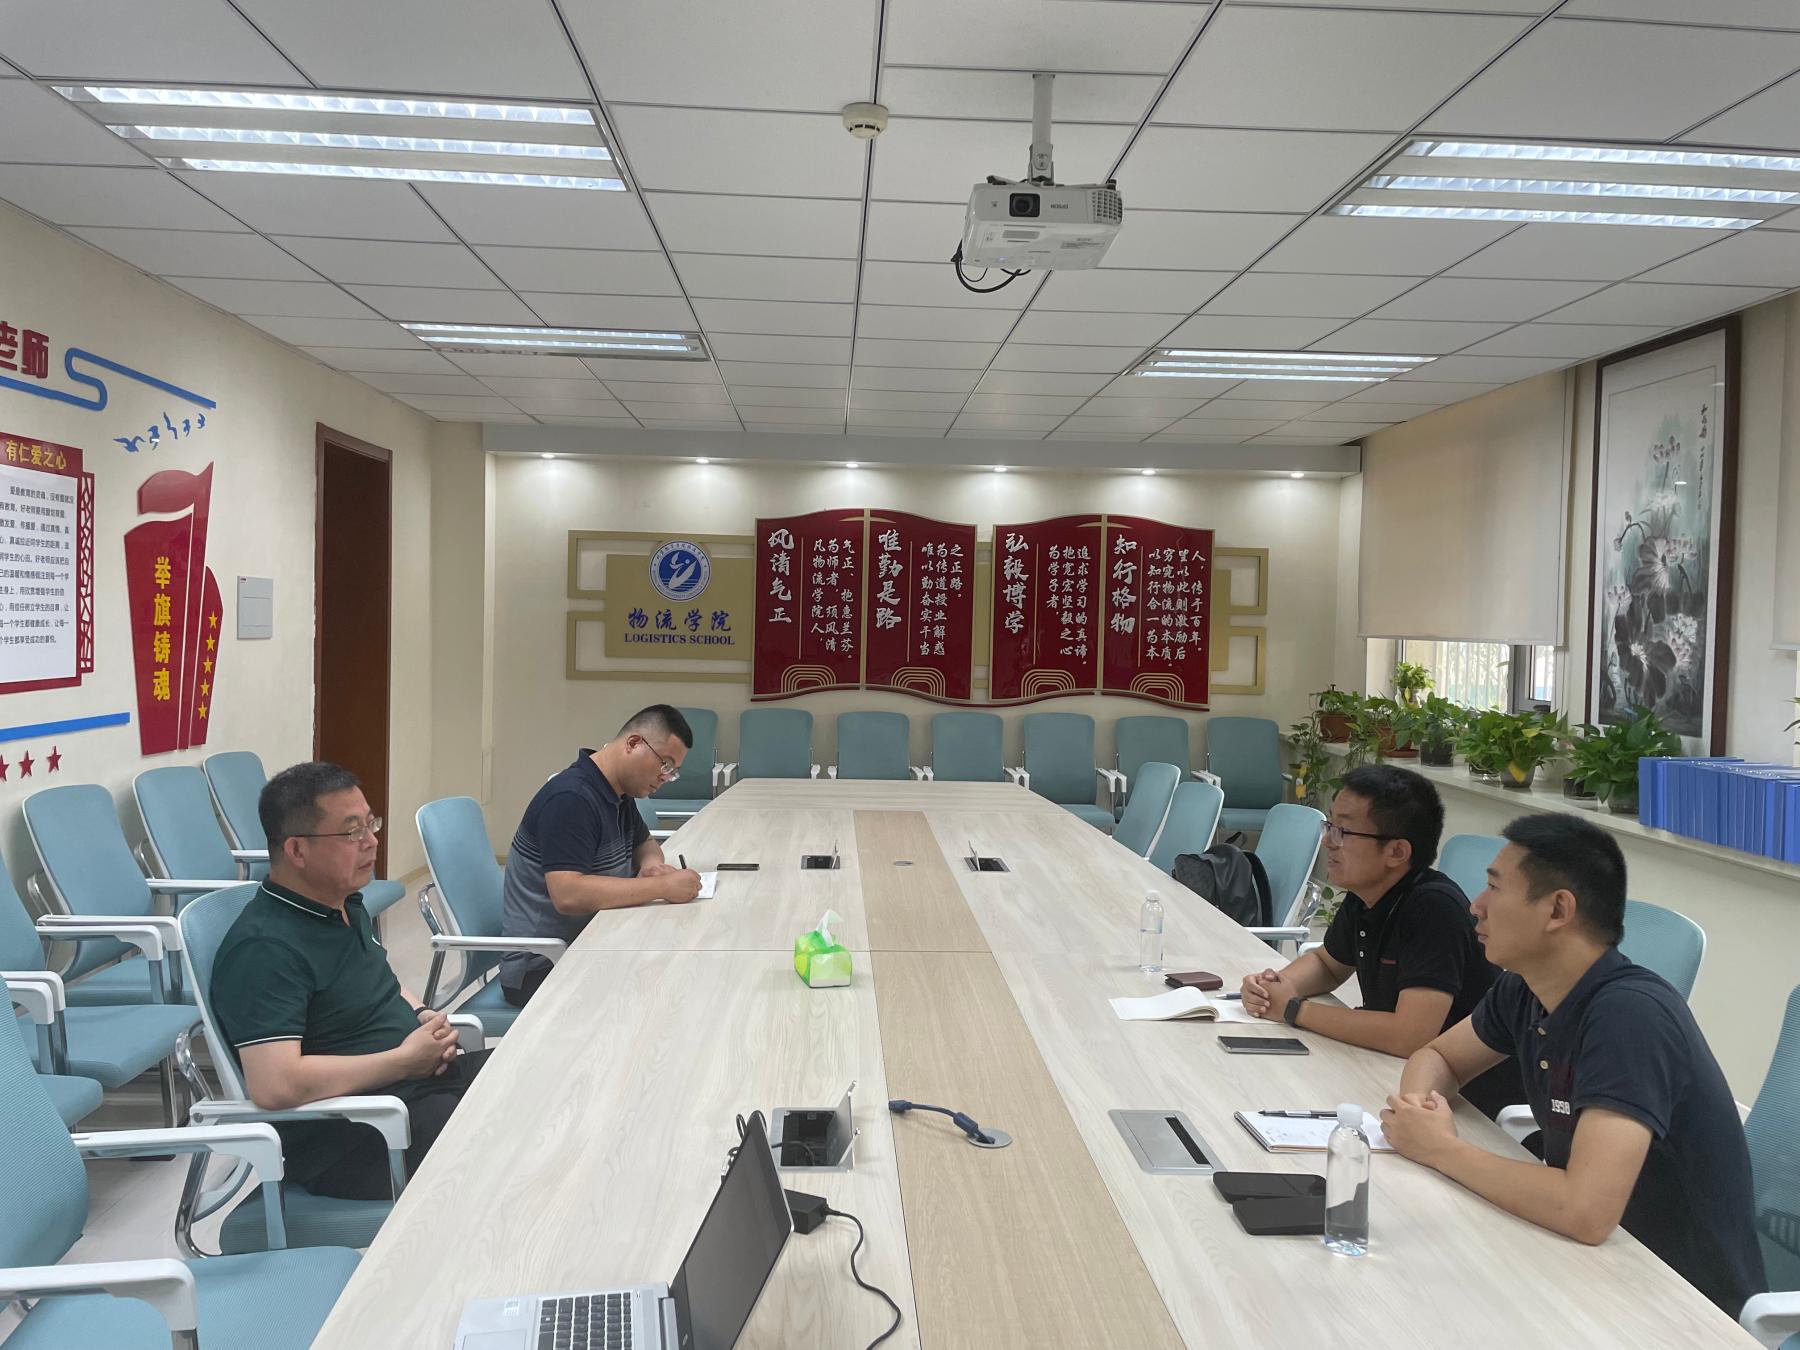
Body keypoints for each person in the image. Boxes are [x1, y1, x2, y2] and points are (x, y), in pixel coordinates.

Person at [1382, 814, 1764, 1317]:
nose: (1476, 906)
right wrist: (1421, 1112)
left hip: (1679, 1302)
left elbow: (1585, 1211)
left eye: (1495, 887)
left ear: (1558, 909)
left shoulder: (1629, 1015)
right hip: (1587, 1265)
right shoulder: (1527, 987)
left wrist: (1440, 1149)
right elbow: (1438, 1056)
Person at [211, 761, 489, 1200]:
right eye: (352, 831)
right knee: (505, 1142)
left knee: (537, 1073)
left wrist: (420, 1014)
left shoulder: (342, 902)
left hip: (413, 1087)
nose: (371, 841)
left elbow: (379, 978)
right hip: (356, 1134)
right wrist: (403, 1061)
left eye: (370, 824)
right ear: (297, 850)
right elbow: (276, 1085)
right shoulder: (264, 948)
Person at [1240, 764, 1522, 1117]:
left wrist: (1295, 1009)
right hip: (1395, 1073)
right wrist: (1274, 987)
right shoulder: (1367, 893)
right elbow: (1329, 964)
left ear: (1396, 852)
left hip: (1464, 1103)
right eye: (1329, 827)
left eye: (1343, 831)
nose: (1328, 841)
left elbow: (1410, 1035)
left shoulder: (1434, 907)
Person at [499, 704, 703, 1007]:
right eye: (665, 764)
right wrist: (661, 886)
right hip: (544, 965)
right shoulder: (571, 798)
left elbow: (646, 844)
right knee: (670, 990)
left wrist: (651, 867)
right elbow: (568, 894)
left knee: (685, 964)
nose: (665, 777)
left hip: (595, 939)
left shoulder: (618, 791)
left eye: (671, 772)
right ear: (633, 743)